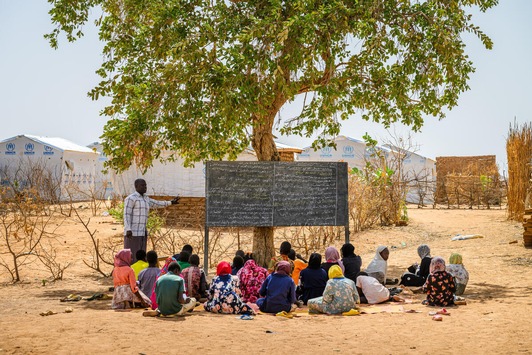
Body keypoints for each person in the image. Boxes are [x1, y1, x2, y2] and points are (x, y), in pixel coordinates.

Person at [123, 179, 179, 262]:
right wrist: (128, 229)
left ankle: (140, 272)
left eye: (145, 185)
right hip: (132, 233)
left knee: (141, 256)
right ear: (136, 186)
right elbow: (127, 214)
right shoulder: (131, 198)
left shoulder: (146, 199)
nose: (145, 187)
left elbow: (157, 203)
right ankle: (131, 273)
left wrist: (170, 202)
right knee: (132, 256)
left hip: (142, 232)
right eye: (142, 185)